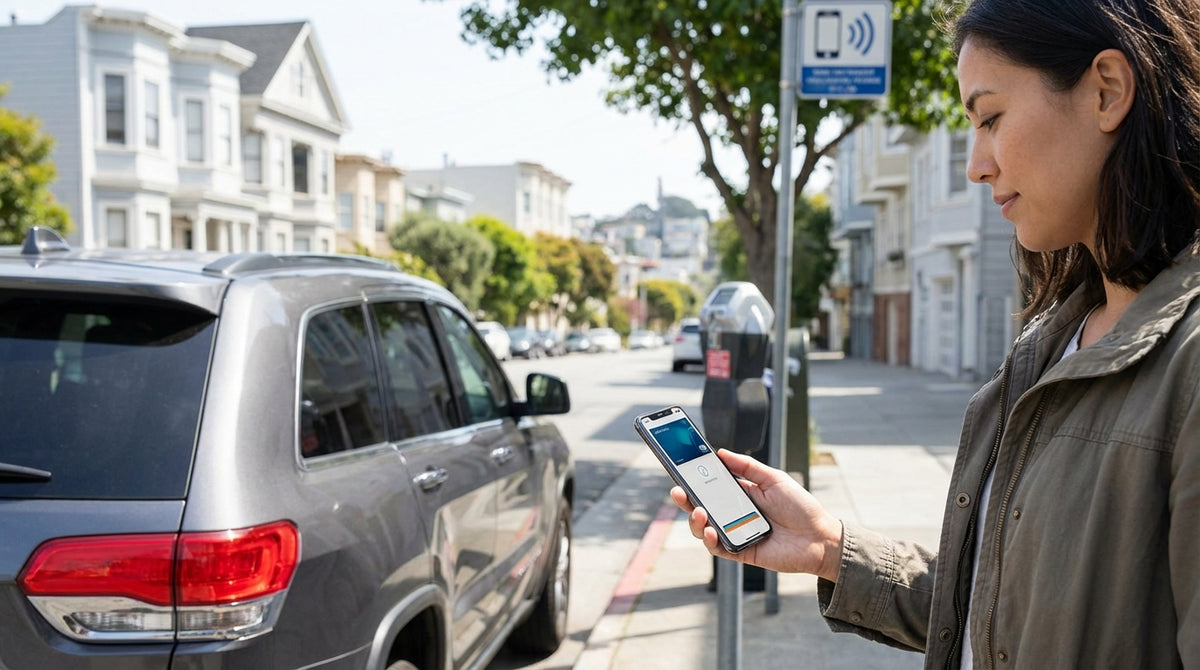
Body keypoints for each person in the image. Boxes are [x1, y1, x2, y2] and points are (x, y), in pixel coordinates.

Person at [671, 0, 1200, 667]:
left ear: (1107, 90)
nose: (977, 164)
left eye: (992, 118)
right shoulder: (1052, 342)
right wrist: (831, 548)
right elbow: (997, 611)